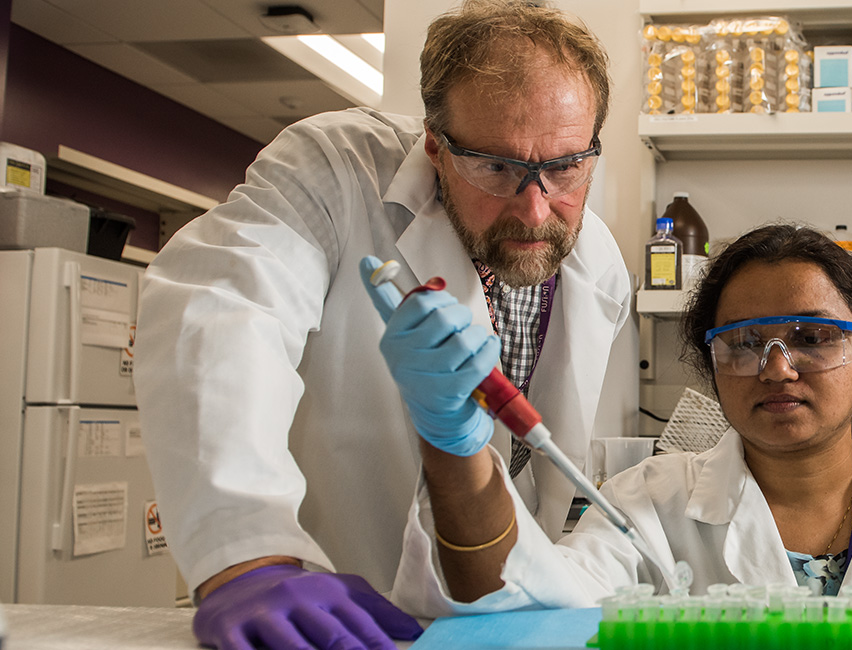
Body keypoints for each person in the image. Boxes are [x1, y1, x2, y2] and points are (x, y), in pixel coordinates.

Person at [133, 3, 630, 648]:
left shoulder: (600, 267)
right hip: (323, 615)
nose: (535, 210)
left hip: (500, 624)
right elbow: (224, 311)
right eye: (497, 167)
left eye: (565, 166)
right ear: (434, 145)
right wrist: (246, 553)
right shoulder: (337, 171)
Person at [387, 224, 852, 649]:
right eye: (743, 343)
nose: (777, 368)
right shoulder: (642, 507)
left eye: (814, 338)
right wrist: (457, 444)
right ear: (710, 367)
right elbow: (520, 608)